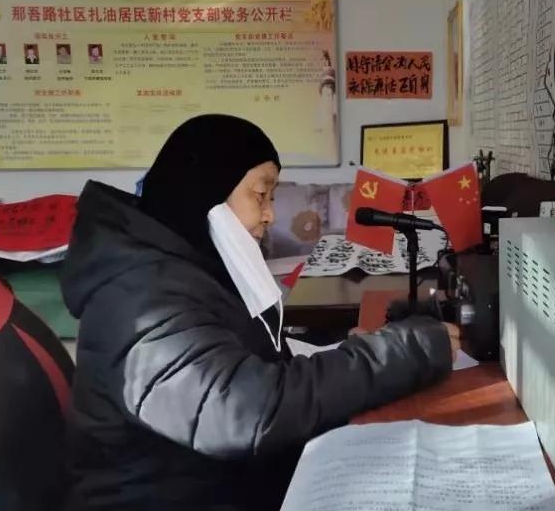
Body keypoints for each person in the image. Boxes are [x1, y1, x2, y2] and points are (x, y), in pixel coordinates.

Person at [61, 114, 457, 511]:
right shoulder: (140, 295)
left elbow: (249, 362)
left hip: (225, 482)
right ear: (204, 191)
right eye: (261, 195)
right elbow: (246, 411)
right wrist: (406, 352)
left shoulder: (187, 268)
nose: (269, 215)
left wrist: (358, 349)